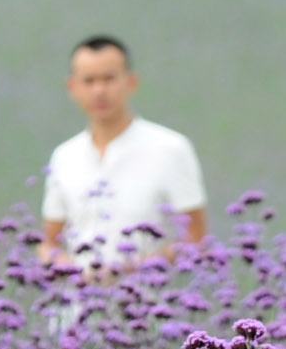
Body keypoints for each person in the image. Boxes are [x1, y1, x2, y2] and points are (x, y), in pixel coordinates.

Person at [40, 36, 206, 273]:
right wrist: (68, 269)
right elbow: (50, 243)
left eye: (109, 79)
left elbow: (197, 239)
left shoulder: (171, 149)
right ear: (73, 88)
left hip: (149, 303)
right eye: (89, 81)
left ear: (131, 82)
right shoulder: (64, 157)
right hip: (77, 305)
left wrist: (129, 271)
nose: (99, 90)